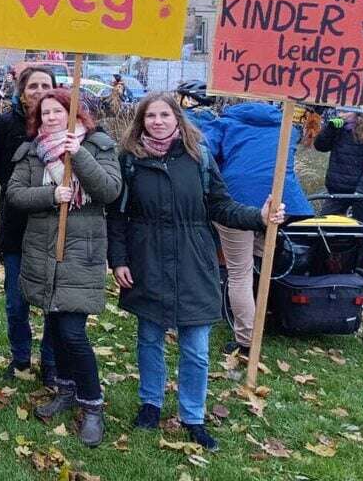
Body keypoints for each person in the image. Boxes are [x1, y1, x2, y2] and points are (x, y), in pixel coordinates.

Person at [108, 93, 284, 452]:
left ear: (177, 119)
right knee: (149, 339)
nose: (157, 121)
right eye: (150, 116)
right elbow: (118, 216)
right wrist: (119, 259)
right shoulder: (130, 160)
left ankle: (193, 415)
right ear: (142, 121)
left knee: (196, 348)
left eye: (164, 115)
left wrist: (259, 218)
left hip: (193, 260)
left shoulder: (198, 157)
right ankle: (150, 403)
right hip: (147, 259)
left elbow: (221, 205)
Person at [6, 88, 121, 447]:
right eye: (45, 114)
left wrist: (79, 154)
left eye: (58, 111)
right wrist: (50, 195)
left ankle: (93, 404)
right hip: (44, 251)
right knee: (55, 327)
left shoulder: (98, 146)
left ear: (75, 114)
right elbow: (15, 194)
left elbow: (109, 191)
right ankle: (68, 391)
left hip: (80, 252)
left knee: (72, 332)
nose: (51, 118)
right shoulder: (32, 152)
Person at [198, 101, 311, 355]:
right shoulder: (286, 126)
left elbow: (205, 153)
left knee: (239, 271)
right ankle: (268, 315)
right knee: (263, 262)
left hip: (235, 201)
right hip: (281, 203)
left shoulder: (225, 124)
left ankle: (247, 341)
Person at [0, 65, 59, 382]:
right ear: (21, 90)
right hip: (17, 225)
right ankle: (20, 358)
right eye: (33, 86)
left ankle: (51, 361)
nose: (40, 90)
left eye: (47, 84)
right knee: (16, 301)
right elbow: (0, 171)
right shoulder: (4, 125)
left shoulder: (65, 123)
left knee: (53, 301)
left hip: (56, 228)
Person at [313, 107, 363, 223]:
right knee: (324, 225)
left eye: (344, 111)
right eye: (339, 111)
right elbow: (320, 146)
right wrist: (330, 129)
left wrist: (362, 190)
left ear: (357, 113)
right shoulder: (340, 129)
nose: (340, 114)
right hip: (339, 190)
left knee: (361, 230)